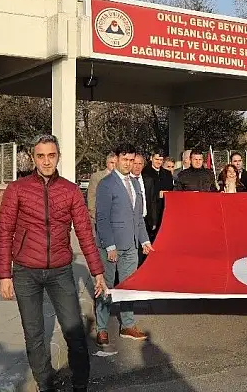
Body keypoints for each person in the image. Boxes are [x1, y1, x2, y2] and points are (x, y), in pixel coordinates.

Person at [0, 134, 106, 392]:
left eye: (51, 155)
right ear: (33, 158)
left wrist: (97, 271)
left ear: (58, 156)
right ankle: (46, 383)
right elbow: (4, 232)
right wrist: (4, 274)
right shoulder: (17, 189)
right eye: (41, 156)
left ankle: (80, 383)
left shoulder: (69, 190)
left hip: (60, 271)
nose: (46, 161)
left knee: (74, 331)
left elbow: (84, 233)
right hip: (25, 272)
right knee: (34, 335)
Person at [95, 143, 153, 346]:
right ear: (117, 159)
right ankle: (101, 329)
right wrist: (109, 246)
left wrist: (144, 240)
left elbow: (138, 217)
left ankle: (127, 325)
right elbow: (101, 218)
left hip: (131, 245)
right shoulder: (106, 184)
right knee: (106, 288)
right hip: (111, 247)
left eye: (131, 160)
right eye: (125, 160)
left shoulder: (136, 184)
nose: (128, 164)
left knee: (129, 287)